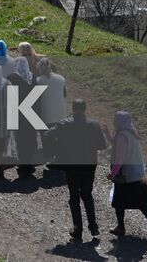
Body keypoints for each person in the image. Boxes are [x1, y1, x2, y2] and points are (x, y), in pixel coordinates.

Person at [48, 99, 107, 242]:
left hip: (72, 165)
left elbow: (48, 134)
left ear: (73, 109)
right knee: (87, 194)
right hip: (89, 164)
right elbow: (102, 145)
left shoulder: (64, 124)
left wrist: (56, 149)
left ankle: (77, 229)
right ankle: (93, 226)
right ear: (85, 109)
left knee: (74, 196)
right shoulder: (94, 124)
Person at [107, 111, 147, 240]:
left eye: (115, 120)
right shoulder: (131, 133)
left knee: (118, 202)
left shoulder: (122, 136)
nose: (113, 122)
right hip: (137, 173)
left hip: (126, 175)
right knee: (141, 202)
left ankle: (121, 227)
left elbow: (120, 158)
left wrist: (112, 174)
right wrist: (108, 136)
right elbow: (118, 147)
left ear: (119, 122)